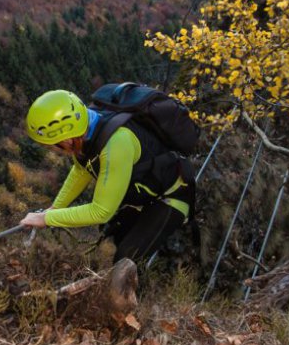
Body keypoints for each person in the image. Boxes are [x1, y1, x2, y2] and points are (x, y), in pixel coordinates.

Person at [19, 89, 193, 264]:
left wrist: (46, 219)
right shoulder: (85, 131)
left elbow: (100, 211)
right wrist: (55, 208)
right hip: (143, 195)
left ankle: (151, 284)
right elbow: (81, 170)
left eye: (53, 144)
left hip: (171, 195)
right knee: (119, 237)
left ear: (66, 136)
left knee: (126, 258)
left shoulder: (116, 142)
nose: (54, 149)